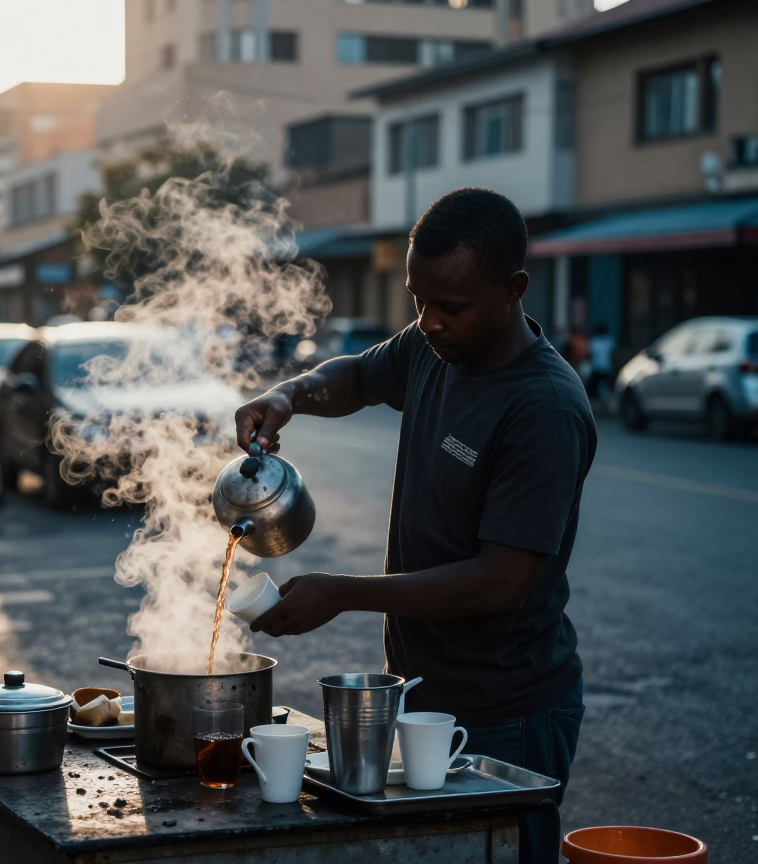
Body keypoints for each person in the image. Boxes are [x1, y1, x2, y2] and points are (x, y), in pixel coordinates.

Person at [235, 188, 596, 864]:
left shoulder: (541, 407)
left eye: (450, 306)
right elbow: (358, 377)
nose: (429, 321)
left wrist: (343, 592)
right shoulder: (436, 348)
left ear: (513, 288)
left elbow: (502, 581)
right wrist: (286, 396)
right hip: (425, 691)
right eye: (418, 301)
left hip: (507, 712)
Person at [587, 323, 616, 400]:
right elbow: (613, 355)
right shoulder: (609, 340)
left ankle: (597, 399)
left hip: (597, 367)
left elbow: (589, 354)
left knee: (593, 386)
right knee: (609, 385)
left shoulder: (594, 341)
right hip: (605, 367)